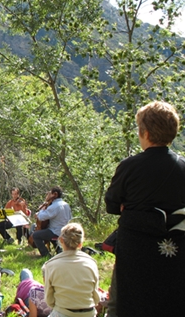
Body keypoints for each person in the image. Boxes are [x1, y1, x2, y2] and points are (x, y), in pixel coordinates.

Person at [105, 101, 185, 317]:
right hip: (174, 248)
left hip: (135, 248)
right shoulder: (182, 166)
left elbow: (112, 204)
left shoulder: (130, 166)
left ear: (145, 133)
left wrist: (128, 208)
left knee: (127, 301)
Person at [42, 223, 100, 317]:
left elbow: (49, 299)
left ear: (61, 240)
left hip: (63, 312)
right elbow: (96, 297)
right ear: (80, 244)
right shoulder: (91, 263)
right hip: (89, 313)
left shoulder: (51, 265)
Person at [32, 187, 72, 257]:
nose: (47, 195)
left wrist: (41, 211)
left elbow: (41, 217)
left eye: (50, 193)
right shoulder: (66, 204)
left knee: (36, 235)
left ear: (55, 194)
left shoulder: (55, 206)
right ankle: (59, 250)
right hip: (66, 231)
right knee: (48, 230)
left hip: (57, 231)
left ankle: (46, 255)